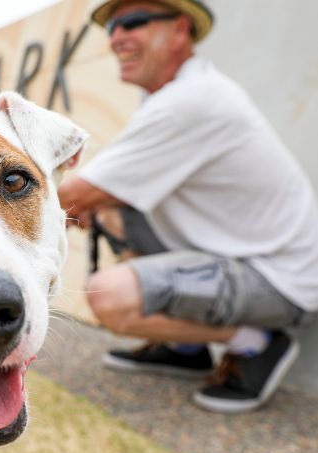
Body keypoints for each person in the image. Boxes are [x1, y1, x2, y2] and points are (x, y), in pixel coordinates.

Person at [58, 0, 318, 413]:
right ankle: (184, 348)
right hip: (240, 254)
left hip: (278, 281)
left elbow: (69, 196)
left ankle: (257, 343)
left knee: (107, 294)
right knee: (111, 205)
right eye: (112, 28)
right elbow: (91, 195)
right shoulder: (176, 95)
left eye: (133, 22)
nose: (117, 38)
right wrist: (87, 202)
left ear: (180, 30)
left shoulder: (192, 101)